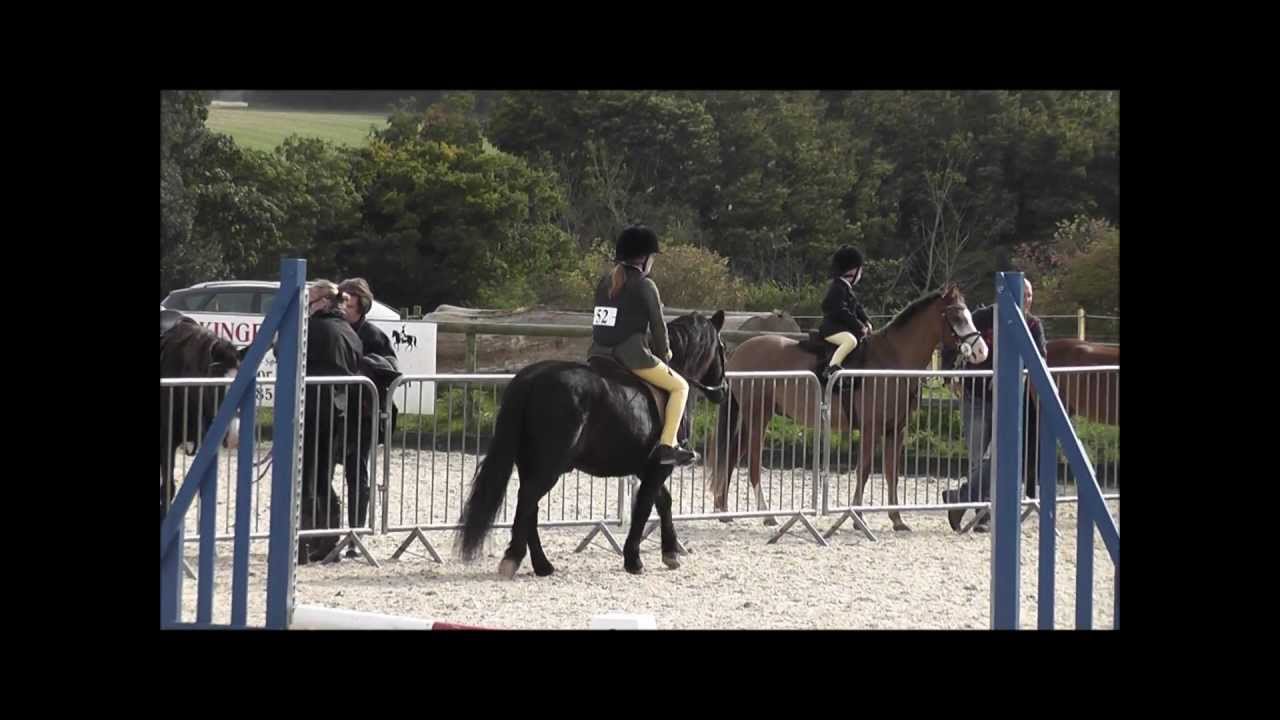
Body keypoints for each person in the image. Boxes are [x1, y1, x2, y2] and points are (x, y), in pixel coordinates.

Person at [941, 278, 1047, 532]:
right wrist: (949, 376)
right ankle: (982, 515)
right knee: (978, 456)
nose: (1027, 300)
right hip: (975, 396)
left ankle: (962, 497)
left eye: (1030, 295)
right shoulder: (982, 317)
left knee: (999, 456)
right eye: (1023, 294)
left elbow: (1040, 359)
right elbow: (950, 342)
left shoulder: (1033, 324)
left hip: (1010, 400)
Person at [587, 225, 696, 466]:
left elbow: (602, 320)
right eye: (652, 257)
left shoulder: (606, 281)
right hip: (632, 357)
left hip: (598, 353)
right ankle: (668, 445)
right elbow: (659, 327)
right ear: (645, 258)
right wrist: (664, 354)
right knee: (681, 387)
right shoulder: (646, 285)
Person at [298, 280, 363, 563]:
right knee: (323, 476)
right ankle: (326, 537)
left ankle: (312, 538)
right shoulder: (350, 332)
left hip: (312, 410)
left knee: (309, 477)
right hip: (338, 412)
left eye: (311, 299)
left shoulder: (313, 330)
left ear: (323, 302)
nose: (308, 305)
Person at [337, 278, 399, 557]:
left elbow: (392, 367)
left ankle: (355, 532)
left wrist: (360, 365)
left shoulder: (372, 334)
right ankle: (323, 530)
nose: (345, 309)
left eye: (349, 304)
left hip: (362, 414)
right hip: (333, 411)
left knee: (356, 472)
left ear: (361, 306)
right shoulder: (333, 330)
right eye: (342, 303)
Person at [816, 245, 873, 386]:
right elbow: (841, 311)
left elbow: (857, 308)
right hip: (831, 329)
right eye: (860, 270)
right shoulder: (837, 288)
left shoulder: (846, 288)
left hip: (839, 328)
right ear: (853, 271)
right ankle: (832, 369)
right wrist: (858, 326)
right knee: (850, 341)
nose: (861, 274)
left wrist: (866, 321)